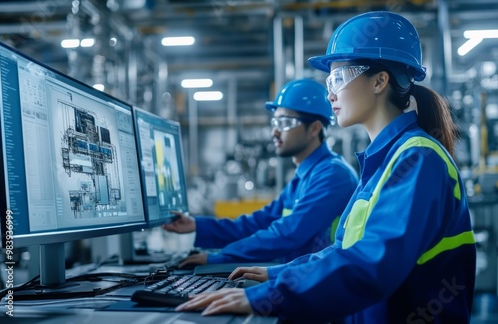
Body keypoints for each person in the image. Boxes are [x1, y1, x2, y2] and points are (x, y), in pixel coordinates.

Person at [176, 11, 476, 323]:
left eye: (337, 79)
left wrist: (266, 296)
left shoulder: (417, 159)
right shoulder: (385, 161)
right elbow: (344, 250)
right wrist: (280, 274)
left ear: (380, 81)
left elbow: (371, 264)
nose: (330, 93)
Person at [163, 78, 358, 268]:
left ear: (315, 128)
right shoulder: (304, 176)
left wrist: (220, 257)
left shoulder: (333, 176)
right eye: (275, 123)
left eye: (285, 123)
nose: (275, 132)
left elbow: (287, 233)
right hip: (294, 280)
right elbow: (259, 223)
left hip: (317, 290)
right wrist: (198, 225)